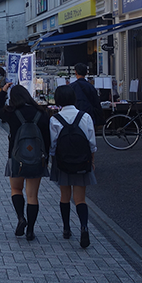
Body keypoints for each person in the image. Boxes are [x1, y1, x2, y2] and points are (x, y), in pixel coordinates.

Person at [0, 83, 51, 241]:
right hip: (37, 159)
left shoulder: (11, 112)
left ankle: (20, 218)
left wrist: (3, 91)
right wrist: (46, 158)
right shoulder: (42, 113)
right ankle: (31, 230)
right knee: (33, 196)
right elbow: (48, 139)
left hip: (16, 158)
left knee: (16, 189)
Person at [50, 84, 98, 248]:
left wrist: (53, 160)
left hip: (63, 162)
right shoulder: (85, 117)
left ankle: (66, 228)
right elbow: (92, 143)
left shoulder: (54, 119)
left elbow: (53, 144)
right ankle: (84, 227)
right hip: (82, 161)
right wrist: (91, 160)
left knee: (64, 196)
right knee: (80, 198)